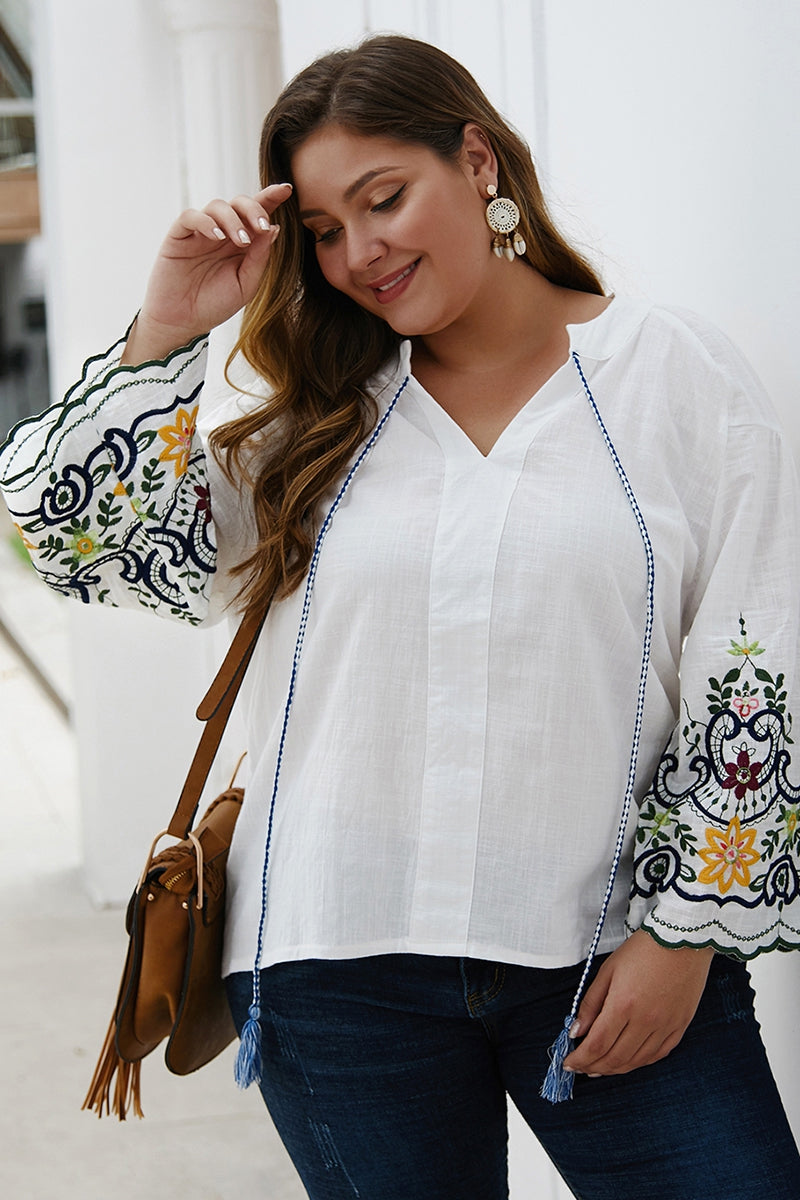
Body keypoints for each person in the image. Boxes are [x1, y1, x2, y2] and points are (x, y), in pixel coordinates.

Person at [2, 32, 800, 1200]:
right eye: (322, 231)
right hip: (335, 967)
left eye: (383, 200)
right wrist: (166, 327)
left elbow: (750, 664)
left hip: (600, 950)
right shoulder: (314, 425)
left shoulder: (668, 376)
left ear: (476, 160)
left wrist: (683, 936)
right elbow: (68, 535)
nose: (360, 251)